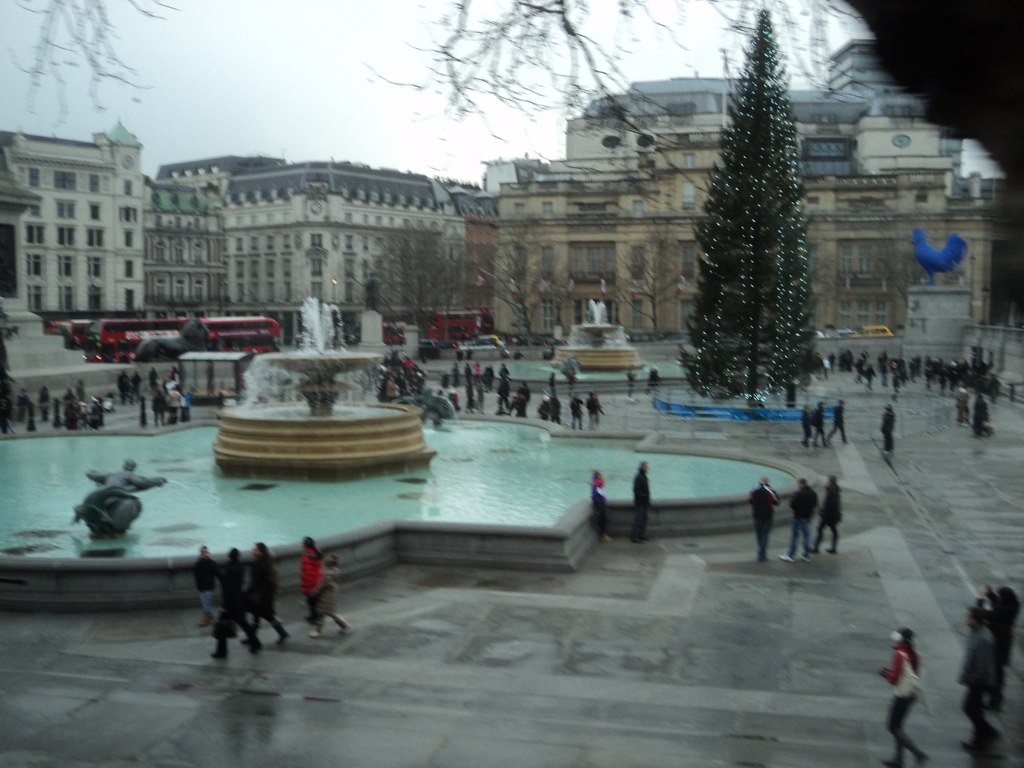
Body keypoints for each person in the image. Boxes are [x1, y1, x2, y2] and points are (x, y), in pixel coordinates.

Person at [879, 628, 927, 767]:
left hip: (902, 695)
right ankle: (898, 759)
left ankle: (917, 753)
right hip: (912, 694)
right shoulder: (914, 653)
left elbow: (894, 678)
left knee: (893, 727)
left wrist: (885, 674)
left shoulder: (900, 654)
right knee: (898, 727)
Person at [959, 606, 999, 752]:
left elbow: (982, 665)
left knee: (969, 708)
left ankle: (987, 732)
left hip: (979, 681)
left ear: (976, 619)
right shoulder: (975, 631)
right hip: (975, 679)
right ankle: (979, 738)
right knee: (976, 710)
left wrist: (972, 678)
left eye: (969, 616)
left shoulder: (983, 638)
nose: (966, 618)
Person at [976, 585, 1020, 711]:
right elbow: (999, 603)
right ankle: (994, 697)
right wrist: (991, 594)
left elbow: (985, 612)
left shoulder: (999, 612)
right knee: (998, 671)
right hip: (1004, 642)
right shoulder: (1014, 606)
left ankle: (993, 698)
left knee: (992, 671)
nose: (998, 598)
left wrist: (981, 598)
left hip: (996, 642)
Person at [245, 542, 289, 646]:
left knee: (266, 616)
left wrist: (247, 594)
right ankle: (252, 637)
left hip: (260, 597)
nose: (252, 551)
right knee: (259, 616)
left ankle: (282, 633)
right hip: (265, 595)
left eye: (255, 550)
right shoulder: (265, 563)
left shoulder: (258, 565)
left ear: (261, 552)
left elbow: (255, 583)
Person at [221, 548, 259, 653]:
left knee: (221, 625)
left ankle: (221, 651)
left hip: (230, 602)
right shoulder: (240, 566)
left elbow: (227, 587)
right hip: (239, 600)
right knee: (244, 623)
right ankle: (255, 643)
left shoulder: (228, 567)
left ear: (230, 556)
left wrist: (225, 605)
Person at [309, 555, 351, 638]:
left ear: (326, 564)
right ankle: (344, 625)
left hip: (325, 596)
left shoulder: (326, 574)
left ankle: (318, 631)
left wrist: (314, 592)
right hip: (332, 594)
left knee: (321, 614)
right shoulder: (335, 572)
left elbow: (322, 585)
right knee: (331, 613)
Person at [780, 478, 817, 562]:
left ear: (801, 484)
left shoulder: (799, 493)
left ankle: (791, 555)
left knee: (794, 536)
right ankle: (806, 555)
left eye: (798, 484)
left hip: (798, 517)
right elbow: (815, 504)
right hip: (807, 516)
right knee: (807, 536)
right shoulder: (813, 493)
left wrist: (793, 499)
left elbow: (792, 505)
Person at [749, 476, 779, 562]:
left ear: (760, 481)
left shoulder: (754, 490)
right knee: (765, 535)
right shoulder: (770, 490)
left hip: (757, 515)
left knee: (759, 535)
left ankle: (761, 551)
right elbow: (776, 502)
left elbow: (750, 501)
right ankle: (762, 553)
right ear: (768, 481)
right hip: (767, 515)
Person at [812, 476, 841, 554]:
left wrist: (823, 512)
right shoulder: (834, 489)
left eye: (827, 480)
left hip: (829, 515)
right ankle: (833, 547)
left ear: (830, 481)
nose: (826, 481)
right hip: (832, 514)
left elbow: (829, 504)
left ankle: (816, 547)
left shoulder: (831, 491)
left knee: (820, 529)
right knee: (833, 530)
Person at [193, 545, 219, 627]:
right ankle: (209, 615)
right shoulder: (199, 564)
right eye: (205, 552)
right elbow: (196, 575)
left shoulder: (210, 563)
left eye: (207, 552)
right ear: (201, 553)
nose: (207, 554)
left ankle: (207, 618)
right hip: (202, 586)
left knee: (205, 603)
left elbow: (217, 572)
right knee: (205, 602)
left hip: (208, 586)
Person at [300, 537, 324, 624]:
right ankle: (313, 616)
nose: (301, 544)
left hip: (311, 582)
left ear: (306, 545)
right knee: (312, 601)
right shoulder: (315, 553)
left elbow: (308, 571)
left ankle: (315, 618)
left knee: (312, 601)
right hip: (313, 580)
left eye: (303, 543)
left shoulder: (309, 555)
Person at [630, 462, 650, 543]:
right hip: (640, 502)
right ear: (643, 467)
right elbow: (636, 490)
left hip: (644, 502)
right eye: (647, 467)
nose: (648, 469)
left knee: (643, 519)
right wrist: (644, 496)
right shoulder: (639, 477)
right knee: (639, 520)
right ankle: (635, 537)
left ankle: (641, 535)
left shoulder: (643, 476)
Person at [591, 470, 611, 543]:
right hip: (600, 505)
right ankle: (603, 535)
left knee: (602, 520)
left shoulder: (596, 483)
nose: (602, 477)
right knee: (603, 520)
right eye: (601, 475)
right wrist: (601, 501)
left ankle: (603, 535)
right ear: (597, 476)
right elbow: (597, 495)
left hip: (599, 504)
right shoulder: (597, 484)